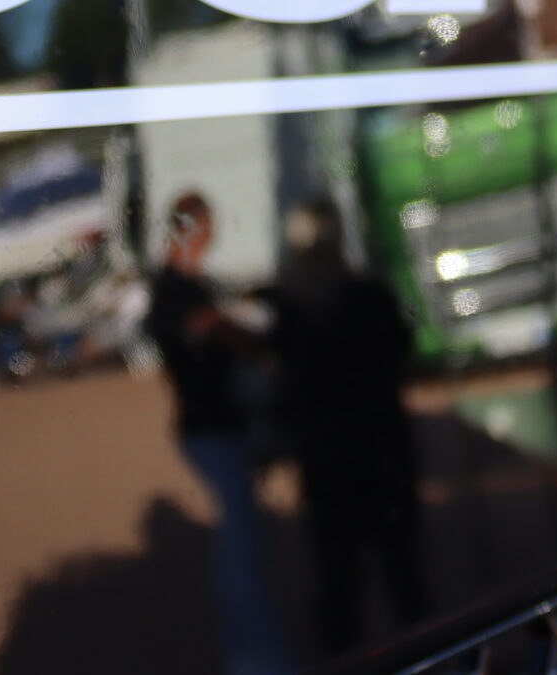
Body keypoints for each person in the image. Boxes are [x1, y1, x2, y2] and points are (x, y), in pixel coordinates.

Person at [271, 199, 430, 655]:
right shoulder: (366, 297)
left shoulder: (295, 311)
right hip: (378, 452)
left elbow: (288, 384)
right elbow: (399, 355)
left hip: (332, 460)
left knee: (342, 583)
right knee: (400, 575)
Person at [144, 191, 290, 675]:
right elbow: (213, 329)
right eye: (205, 228)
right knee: (241, 552)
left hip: (216, 427)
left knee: (238, 549)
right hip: (211, 430)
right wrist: (261, 348)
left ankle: (248, 655)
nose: (209, 238)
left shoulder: (186, 285)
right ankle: (258, 661)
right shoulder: (175, 289)